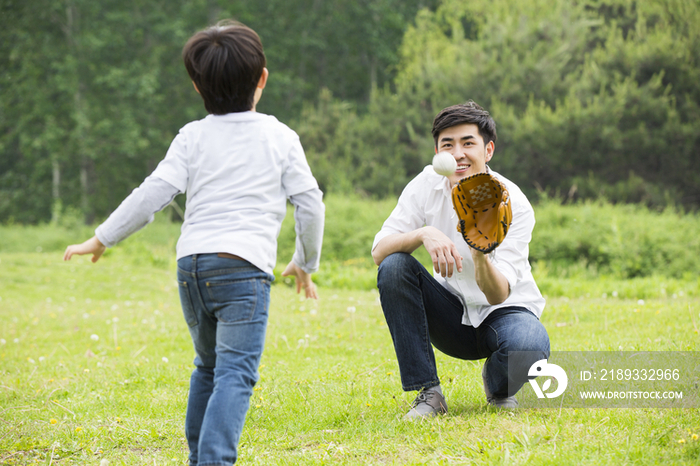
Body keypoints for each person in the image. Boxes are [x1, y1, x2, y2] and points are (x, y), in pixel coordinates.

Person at [64, 20, 325, 465]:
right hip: (243, 269)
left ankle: (198, 458)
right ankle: (214, 460)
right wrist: (305, 261)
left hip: (192, 267)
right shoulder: (280, 136)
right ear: (262, 79)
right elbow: (310, 204)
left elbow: (151, 195)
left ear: (195, 85)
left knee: (208, 367)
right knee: (236, 373)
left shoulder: (192, 136)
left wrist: (102, 238)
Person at [371, 101, 549, 419]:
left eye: (468, 143)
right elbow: (379, 251)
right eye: (447, 144)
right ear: (437, 151)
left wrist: (480, 255)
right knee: (394, 266)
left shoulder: (514, 202)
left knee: (529, 344)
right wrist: (422, 234)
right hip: (450, 314)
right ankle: (429, 393)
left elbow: (498, 294)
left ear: (488, 149)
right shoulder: (425, 185)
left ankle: (500, 389)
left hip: (505, 312)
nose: (458, 154)